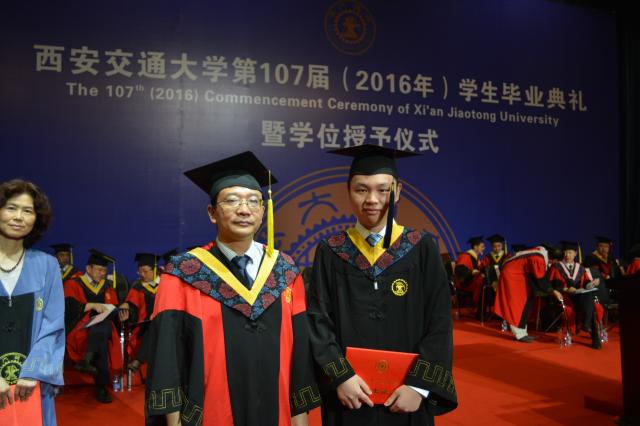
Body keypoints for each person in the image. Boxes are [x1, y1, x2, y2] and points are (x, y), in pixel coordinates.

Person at [145, 151, 320, 426]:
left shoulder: (285, 271)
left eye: (253, 201)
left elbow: (299, 358)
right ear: (212, 213)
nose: (244, 209)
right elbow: (167, 358)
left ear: (263, 212)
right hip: (211, 414)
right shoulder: (183, 274)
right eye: (232, 200)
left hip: (277, 414)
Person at [307, 145, 457, 426]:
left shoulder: (421, 247)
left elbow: (439, 322)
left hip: (407, 398)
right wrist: (340, 376)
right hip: (349, 396)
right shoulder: (331, 250)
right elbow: (318, 321)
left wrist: (419, 386)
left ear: (397, 191)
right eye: (361, 190)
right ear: (348, 191)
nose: (372, 200)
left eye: (383, 190)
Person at [0, 179, 65, 425]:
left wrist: (34, 371)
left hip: (30, 386)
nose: (19, 217)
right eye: (11, 208)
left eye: (27, 211)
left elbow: (53, 325)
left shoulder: (47, 265)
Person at [63, 249, 122, 403]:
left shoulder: (107, 286)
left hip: (103, 328)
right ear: (88, 268)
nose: (102, 273)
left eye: (104, 270)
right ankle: (101, 387)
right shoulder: (73, 283)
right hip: (81, 329)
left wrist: (121, 313)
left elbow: (114, 307)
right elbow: (68, 308)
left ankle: (87, 360)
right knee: (101, 336)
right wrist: (91, 305)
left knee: (103, 325)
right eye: (99, 270)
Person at [494, 245, 563, 342]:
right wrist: (553, 291)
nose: (555, 264)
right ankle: (519, 334)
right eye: (557, 262)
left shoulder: (540, 252)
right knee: (518, 305)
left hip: (519, 275)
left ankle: (523, 332)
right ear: (554, 259)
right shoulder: (538, 259)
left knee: (528, 301)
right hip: (513, 276)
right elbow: (540, 279)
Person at [119, 252, 169, 372]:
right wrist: (127, 310)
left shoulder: (166, 284)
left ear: (155, 269)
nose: (142, 274)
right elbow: (133, 308)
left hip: (166, 321)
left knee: (157, 324)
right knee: (153, 325)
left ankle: (139, 360)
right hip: (145, 325)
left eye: (145, 271)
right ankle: (139, 360)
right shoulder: (137, 287)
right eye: (140, 271)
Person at [549, 241, 602, 349]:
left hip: (580, 296)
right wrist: (566, 289)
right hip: (566, 296)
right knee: (590, 304)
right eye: (565, 252)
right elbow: (555, 284)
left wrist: (592, 283)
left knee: (588, 295)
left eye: (570, 252)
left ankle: (586, 325)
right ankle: (592, 334)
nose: (567, 255)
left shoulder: (581, 268)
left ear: (575, 254)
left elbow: (586, 282)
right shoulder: (557, 267)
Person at [583, 236, 622, 304]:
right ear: (597, 247)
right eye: (601, 246)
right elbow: (592, 272)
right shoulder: (591, 257)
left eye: (606, 247)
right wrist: (605, 276)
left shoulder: (610, 258)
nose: (604, 249)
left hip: (611, 284)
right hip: (599, 284)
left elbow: (616, 271)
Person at [454, 236, 486, 317]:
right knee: (483, 283)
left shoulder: (476, 258)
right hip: (465, 283)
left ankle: (482, 311)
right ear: (475, 247)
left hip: (472, 282)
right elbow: (459, 270)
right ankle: (481, 313)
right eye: (482, 246)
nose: (484, 248)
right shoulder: (465, 256)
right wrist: (471, 272)